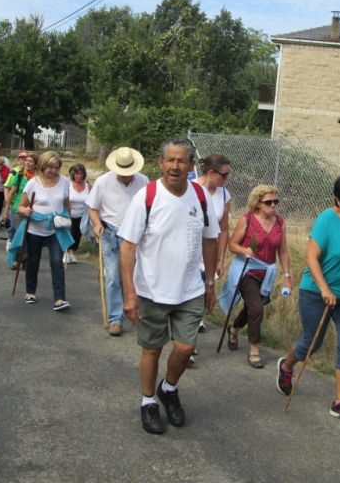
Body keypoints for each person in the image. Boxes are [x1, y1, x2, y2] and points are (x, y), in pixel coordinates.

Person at [119, 137, 219, 434]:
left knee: (186, 347)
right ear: (160, 163)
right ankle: (148, 401)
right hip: (151, 290)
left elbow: (210, 240)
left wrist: (210, 283)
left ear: (191, 165)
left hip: (190, 289)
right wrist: (129, 294)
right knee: (152, 350)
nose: (175, 166)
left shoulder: (200, 196)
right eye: (170, 160)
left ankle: (169, 388)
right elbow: (127, 248)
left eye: (182, 161)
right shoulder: (147, 197)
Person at [275, 176, 340, 425]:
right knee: (312, 343)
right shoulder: (326, 221)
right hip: (317, 293)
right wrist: (324, 289)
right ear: (337, 200)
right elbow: (311, 258)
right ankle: (287, 367)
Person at [224, 184, 291, 369]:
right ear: (258, 203)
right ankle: (254, 349)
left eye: (275, 201)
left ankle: (234, 328)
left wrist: (287, 276)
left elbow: (283, 252)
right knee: (257, 309)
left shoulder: (280, 222)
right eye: (268, 202)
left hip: (267, 273)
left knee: (253, 308)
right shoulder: (247, 220)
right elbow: (232, 245)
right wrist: (244, 250)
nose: (273, 205)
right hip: (247, 271)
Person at [86, 147, 149, 336]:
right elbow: (92, 207)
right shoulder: (103, 182)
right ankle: (115, 319)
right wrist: (96, 223)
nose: (125, 176)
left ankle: (137, 313)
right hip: (110, 231)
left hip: (135, 235)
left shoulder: (143, 181)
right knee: (113, 276)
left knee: (135, 276)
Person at [13, 151, 73, 311]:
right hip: (34, 228)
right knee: (33, 260)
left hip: (56, 229)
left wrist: (69, 220)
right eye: (50, 168)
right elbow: (20, 205)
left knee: (56, 262)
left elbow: (67, 204)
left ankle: (60, 299)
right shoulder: (33, 183)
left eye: (56, 167)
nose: (53, 171)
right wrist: (25, 211)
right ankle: (30, 292)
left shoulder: (65, 182)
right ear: (43, 167)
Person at [192, 153, 232, 352]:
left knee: (202, 292)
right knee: (191, 293)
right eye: (224, 175)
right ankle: (187, 344)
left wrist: (220, 258)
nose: (226, 179)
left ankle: (190, 333)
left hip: (209, 251)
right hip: (189, 250)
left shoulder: (224, 195)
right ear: (211, 173)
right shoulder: (191, 189)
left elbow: (223, 229)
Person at [2, 151, 29, 248]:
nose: (23, 161)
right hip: (14, 204)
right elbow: (7, 187)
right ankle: (11, 239)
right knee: (13, 226)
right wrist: (7, 201)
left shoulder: (32, 175)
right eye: (21, 159)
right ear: (18, 161)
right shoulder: (14, 173)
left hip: (26, 206)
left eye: (25, 159)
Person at [66, 163, 90, 264]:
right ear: (73, 174)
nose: (79, 176)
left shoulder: (88, 185)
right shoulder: (68, 184)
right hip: (69, 213)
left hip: (82, 214)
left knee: (77, 234)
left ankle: (72, 253)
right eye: (77, 174)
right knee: (68, 233)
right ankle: (65, 253)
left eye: (81, 174)